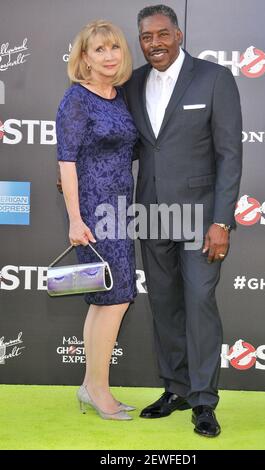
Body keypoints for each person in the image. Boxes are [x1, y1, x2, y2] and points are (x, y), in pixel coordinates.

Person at [125, 4, 242, 436]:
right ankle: (174, 388)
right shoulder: (133, 83)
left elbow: (230, 155)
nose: (153, 43)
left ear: (178, 34)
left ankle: (204, 400)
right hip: (151, 212)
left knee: (199, 303)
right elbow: (127, 144)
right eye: (145, 37)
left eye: (161, 34)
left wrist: (222, 222)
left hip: (200, 216)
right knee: (164, 305)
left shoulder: (214, 78)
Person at [56, 20, 138, 421]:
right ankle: (98, 390)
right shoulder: (76, 100)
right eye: (99, 50)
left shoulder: (119, 97)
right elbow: (66, 162)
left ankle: (91, 387)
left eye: (114, 49)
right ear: (84, 57)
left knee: (105, 300)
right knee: (115, 298)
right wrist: (75, 219)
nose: (108, 56)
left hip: (122, 212)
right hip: (94, 213)